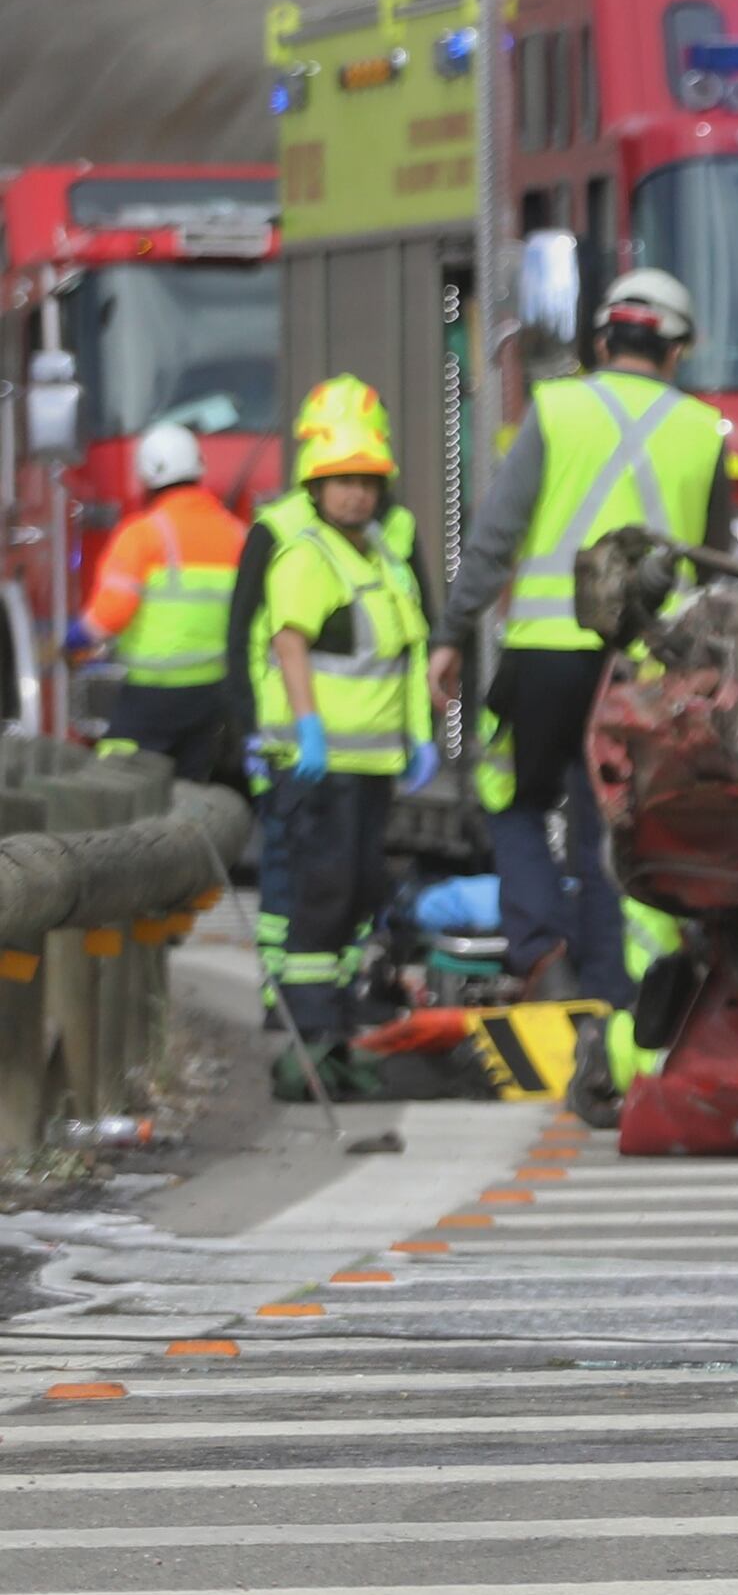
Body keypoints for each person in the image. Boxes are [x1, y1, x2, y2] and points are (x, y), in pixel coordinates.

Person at [447, 267, 731, 1006]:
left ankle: (542, 955)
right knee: (615, 825)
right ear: (678, 351)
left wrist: (452, 631)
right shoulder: (704, 432)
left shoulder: (557, 408)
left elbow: (495, 536)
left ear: (605, 339)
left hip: (544, 652)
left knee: (513, 797)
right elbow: (720, 566)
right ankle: (614, 996)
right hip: (644, 671)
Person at [247, 378, 452, 1089]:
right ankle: (308, 1039)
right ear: (316, 485)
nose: (356, 495)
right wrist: (304, 727)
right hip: (319, 763)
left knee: (361, 890)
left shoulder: (381, 557)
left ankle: (332, 1028)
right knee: (322, 893)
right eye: (341, 483)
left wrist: (420, 735)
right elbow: (290, 644)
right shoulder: (307, 554)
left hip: (369, 764)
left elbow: (409, 654)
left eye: (366, 483)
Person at [75, 421, 249, 788]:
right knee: (189, 790)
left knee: (115, 787)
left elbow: (111, 613)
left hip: (151, 693)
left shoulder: (143, 534)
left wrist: (72, 638)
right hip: (212, 692)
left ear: (146, 476)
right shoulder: (238, 534)